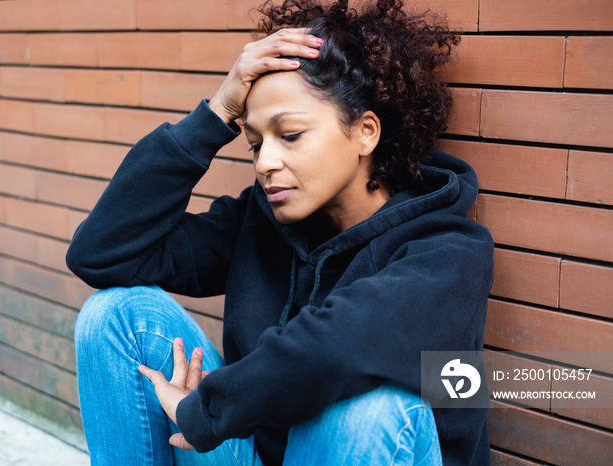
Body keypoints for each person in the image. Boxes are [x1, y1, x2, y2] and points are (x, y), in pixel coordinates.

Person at [66, 0, 494, 464]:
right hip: (252, 452)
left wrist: (205, 411)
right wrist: (215, 113)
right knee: (116, 314)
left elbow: (338, 347)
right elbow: (101, 253)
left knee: (369, 406)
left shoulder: (448, 253)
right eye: (255, 143)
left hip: (357, 448)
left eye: (289, 135)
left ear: (366, 131)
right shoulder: (263, 220)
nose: (266, 162)